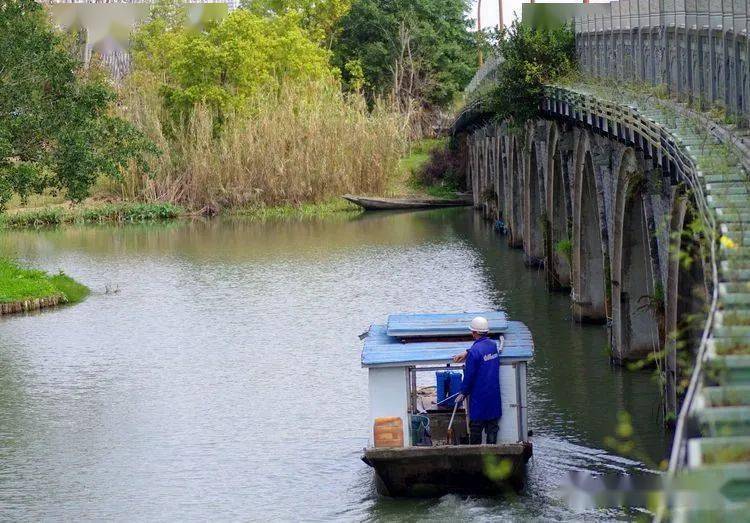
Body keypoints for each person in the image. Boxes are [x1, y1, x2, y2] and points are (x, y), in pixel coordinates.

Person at [453, 316, 501, 445]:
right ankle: (493, 455)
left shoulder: (474, 352)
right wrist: (467, 352)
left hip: (479, 397)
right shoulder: (493, 345)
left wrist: (463, 392)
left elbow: (469, 375)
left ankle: (476, 454)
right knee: (492, 427)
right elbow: (483, 349)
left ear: (474, 333)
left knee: (475, 428)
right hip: (493, 395)